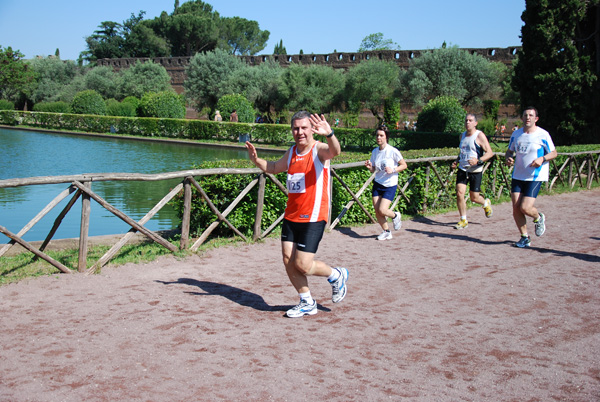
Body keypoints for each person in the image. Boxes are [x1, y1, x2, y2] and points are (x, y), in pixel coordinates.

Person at [245, 111, 349, 318]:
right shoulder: (292, 152)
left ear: (311, 129)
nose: (299, 132)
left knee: (302, 264)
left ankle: (336, 275)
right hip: (291, 216)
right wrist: (257, 160)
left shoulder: (318, 150)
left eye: (303, 128)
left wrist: (330, 134)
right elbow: (274, 167)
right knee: (287, 260)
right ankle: (307, 302)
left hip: (313, 217)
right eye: (295, 128)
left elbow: (335, 151)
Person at [505, 107, 557, 248]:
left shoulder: (543, 135)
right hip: (518, 175)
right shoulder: (516, 134)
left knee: (525, 207)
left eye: (531, 115)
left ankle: (538, 217)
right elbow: (509, 152)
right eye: (525, 115)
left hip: (535, 176)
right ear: (522, 118)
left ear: (536, 119)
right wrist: (509, 158)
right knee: (516, 208)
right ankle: (524, 237)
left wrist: (542, 158)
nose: (528, 117)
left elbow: (554, 153)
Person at [450, 114, 494, 229]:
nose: (467, 122)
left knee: (474, 197)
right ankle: (463, 220)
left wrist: (478, 161)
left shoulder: (479, 136)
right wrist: (457, 161)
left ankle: (485, 203)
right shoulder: (462, 136)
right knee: (460, 194)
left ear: (475, 123)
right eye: (466, 120)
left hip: (475, 170)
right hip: (463, 169)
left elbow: (490, 153)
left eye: (470, 120)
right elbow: (462, 152)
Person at [364, 125, 407, 240]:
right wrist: (369, 167)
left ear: (386, 137)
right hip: (378, 183)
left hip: (390, 184)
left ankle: (395, 215)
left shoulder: (393, 151)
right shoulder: (375, 152)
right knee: (377, 210)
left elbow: (404, 165)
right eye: (377, 135)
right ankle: (386, 231)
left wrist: (393, 170)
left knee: (383, 210)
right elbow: (375, 169)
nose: (379, 137)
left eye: (381, 135)